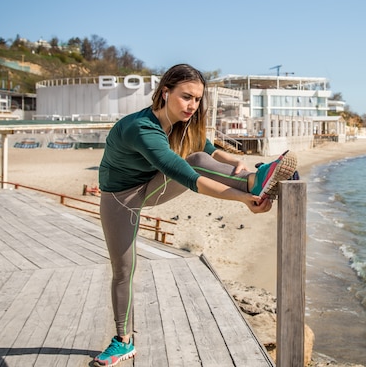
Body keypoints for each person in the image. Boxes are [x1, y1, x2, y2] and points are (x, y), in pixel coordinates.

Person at [94, 63, 297, 366]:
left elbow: (205, 146)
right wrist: (244, 199)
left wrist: (232, 158)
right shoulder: (141, 128)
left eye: (198, 99)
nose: (192, 105)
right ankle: (122, 341)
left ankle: (259, 178)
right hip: (120, 200)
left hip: (150, 187)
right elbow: (188, 176)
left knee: (200, 156)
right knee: (124, 271)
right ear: (165, 92)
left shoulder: (178, 121)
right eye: (186, 97)